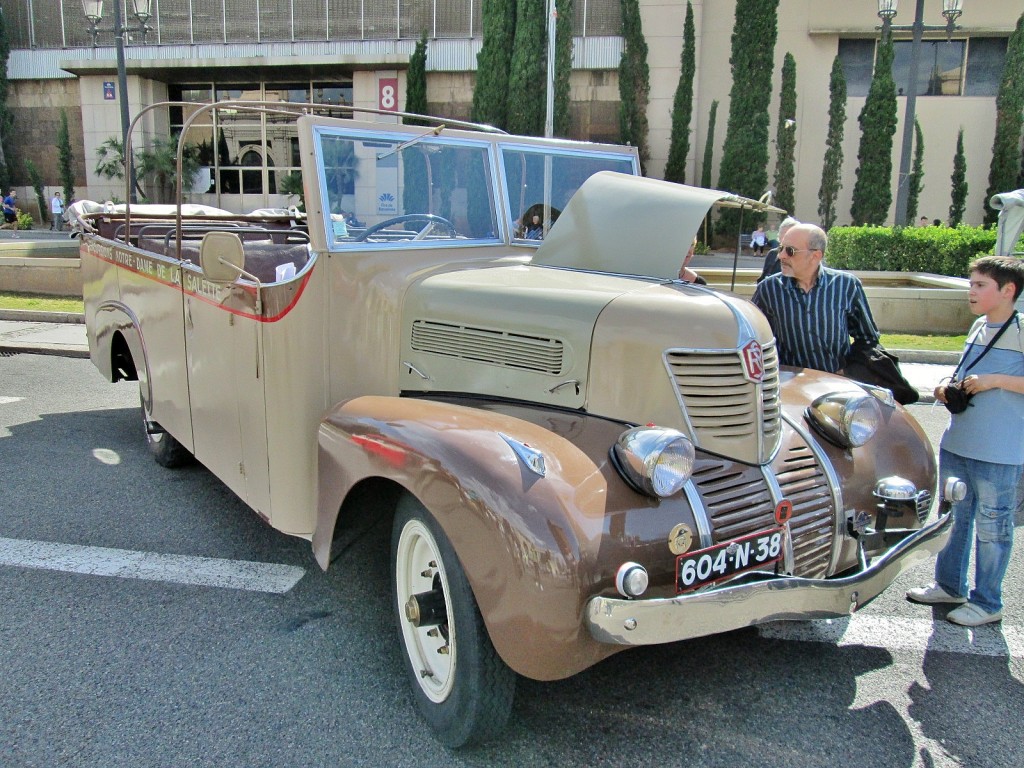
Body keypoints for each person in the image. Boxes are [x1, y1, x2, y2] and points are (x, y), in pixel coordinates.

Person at [907, 256, 1024, 626]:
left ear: (1008, 291)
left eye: (980, 285)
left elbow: (993, 380)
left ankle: (988, 602)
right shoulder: (977, 326)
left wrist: (994, 381)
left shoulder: (1021, 329)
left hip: (1000, 450)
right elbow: (964, 372)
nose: (971, 291)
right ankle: (949, 585)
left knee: (993, 526)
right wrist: (946, 387)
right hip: (959, 441)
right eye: (971, 284)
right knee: (954, 518)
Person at [751, 222, 879, 373]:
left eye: (790, 251)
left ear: (815, 255)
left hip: (834, 385)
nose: (781, 255)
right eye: (781, 248)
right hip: (790, 387)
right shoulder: (769, 289)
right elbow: (753, 339)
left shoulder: (846, 285)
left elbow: (868, 338)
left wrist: (848, 370)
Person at [757, 216, 799, 283]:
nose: (782, 255)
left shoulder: (801, 258)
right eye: (782, 244)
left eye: (789, 247)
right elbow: (762, 280)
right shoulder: (772, 254)